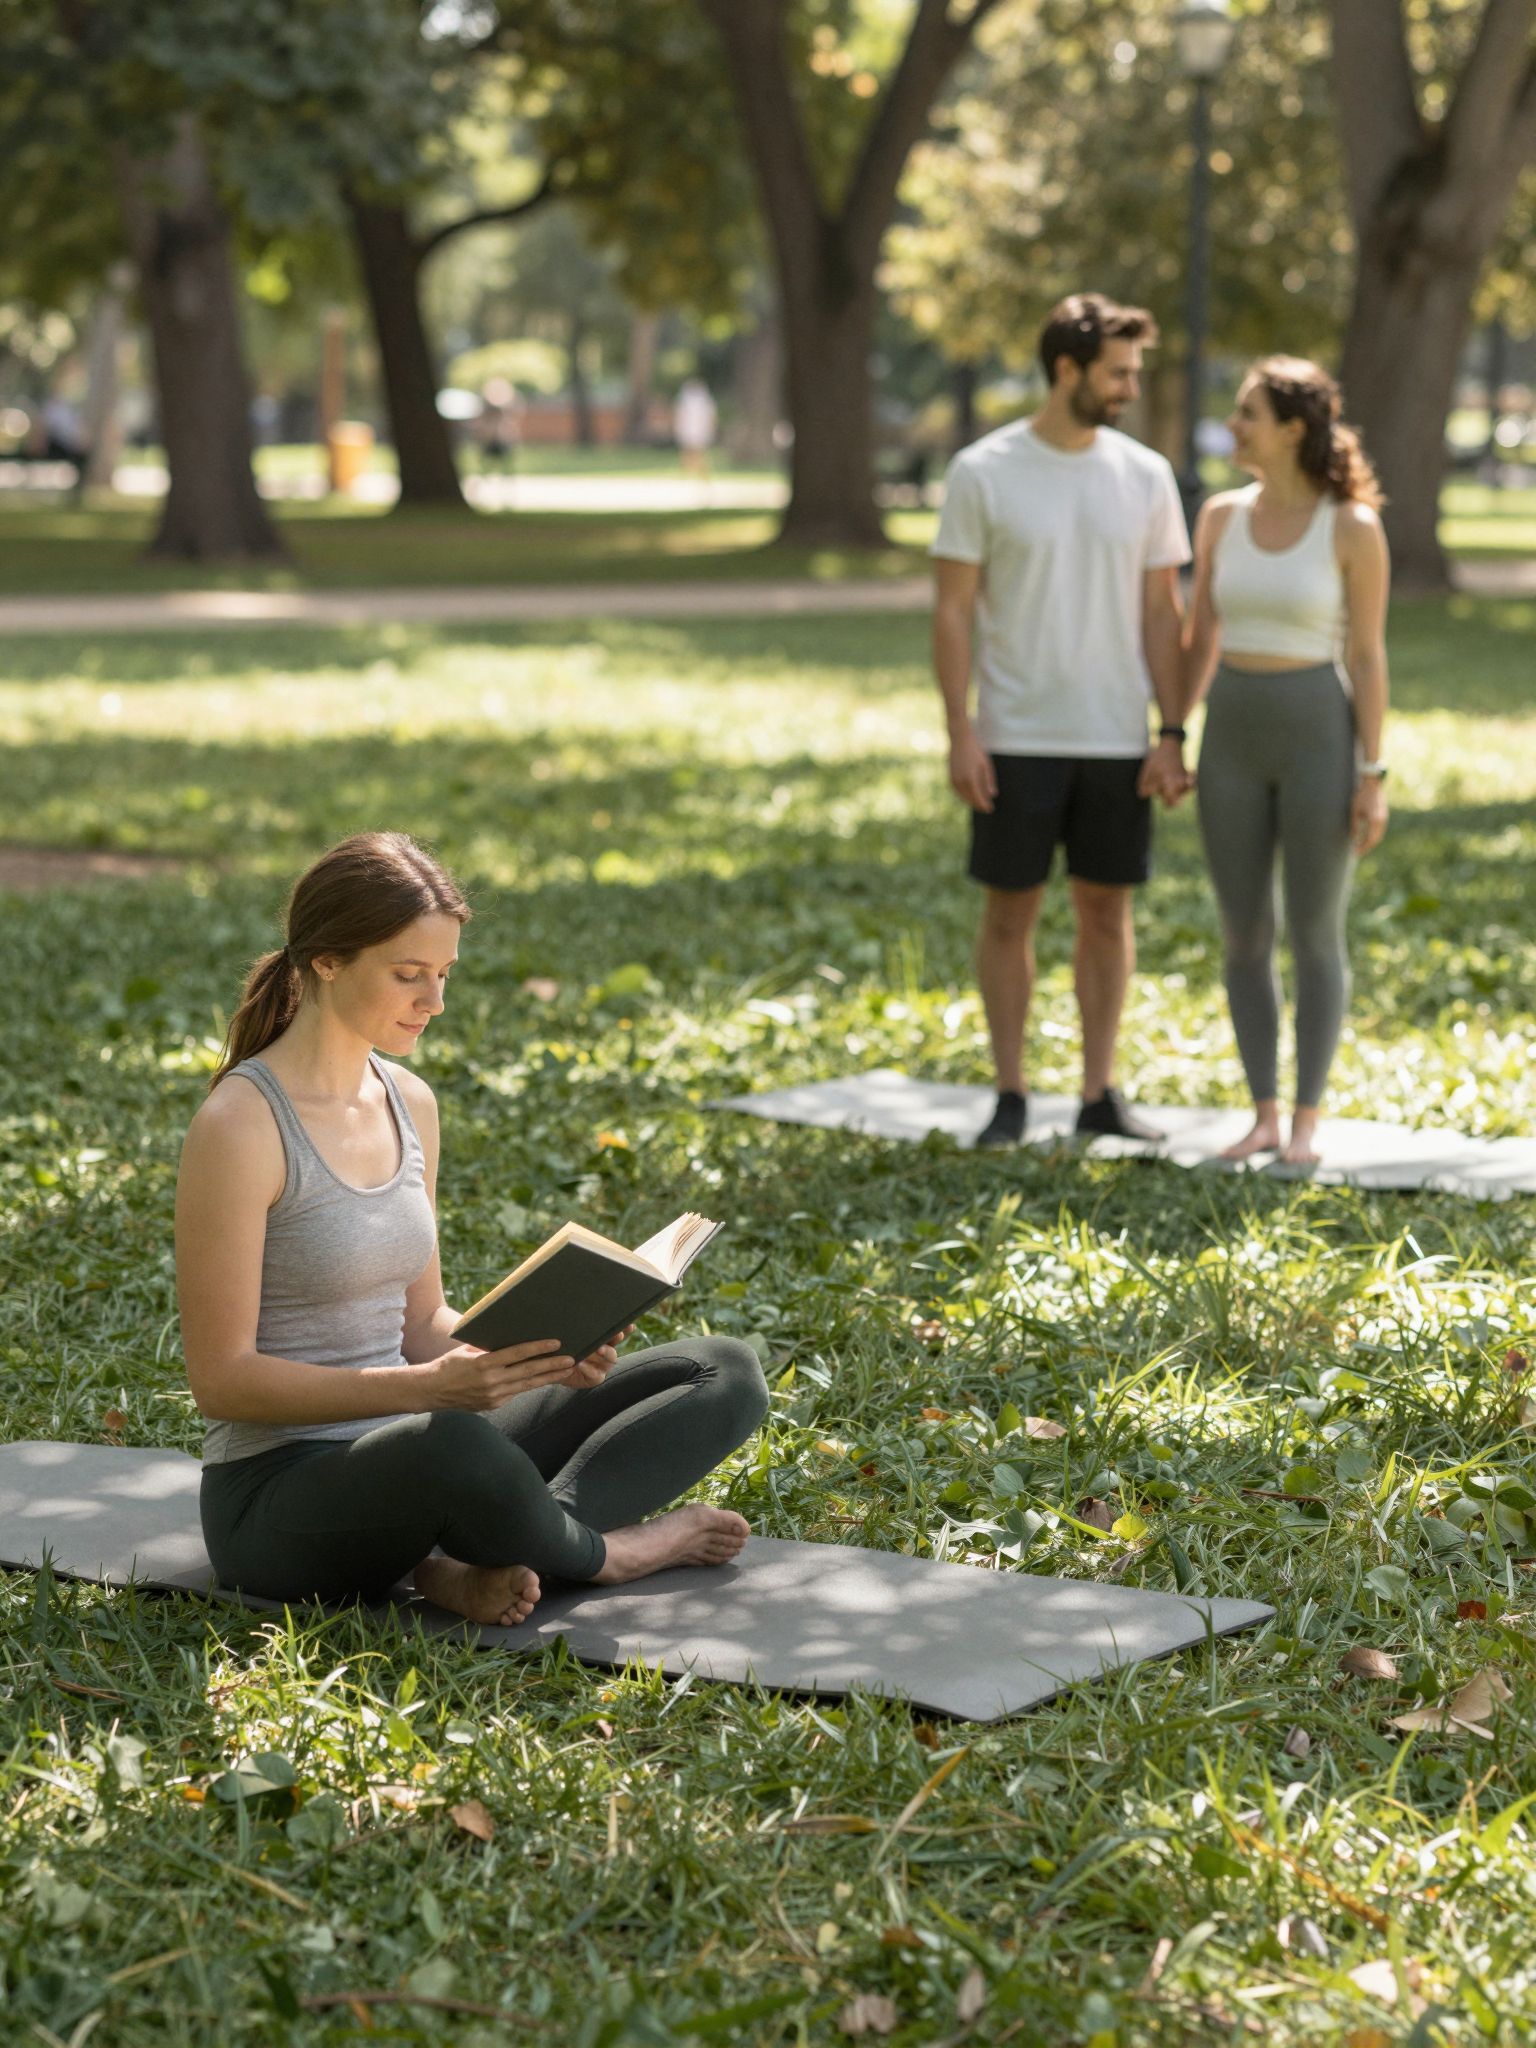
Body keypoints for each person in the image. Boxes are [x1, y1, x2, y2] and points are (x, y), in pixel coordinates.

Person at [178, 832, 768, 1626]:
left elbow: (424, 1324)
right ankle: (608, 1553)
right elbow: (222, 1380)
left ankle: (475, 1556)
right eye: (408, 974)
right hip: (279, 1498)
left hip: (420, 1438)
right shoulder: (240, 1125)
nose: (435, 1001)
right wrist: (426, 1391)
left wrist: (540, 1357)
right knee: (452, 1446)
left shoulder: (409, 1102)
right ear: (326, 960)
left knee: (721, 1372)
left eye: (444, 973)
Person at [931, 292, 1192, 1149]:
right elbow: (952, 612)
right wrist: (960, 731)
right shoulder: (984, 470)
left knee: (1106, 915)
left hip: (1118, 737)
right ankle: (1010, 1095)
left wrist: (1171, 730)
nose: (1128, 388)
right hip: (1014, 737)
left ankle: (1097, 1094)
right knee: (1010, 915)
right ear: (1068, 368)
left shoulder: (1146, 475)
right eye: (1117, 373)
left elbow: (1164, 615)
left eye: (1134, 374)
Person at [1180, 357, 1389, 1168]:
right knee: (1242, 934)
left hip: (1318, 741)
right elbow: (1201, 637)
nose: (1233, 426)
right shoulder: (1221, 517)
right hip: (1229, 736)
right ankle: (1261, 1113)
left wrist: (1372, 775)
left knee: (1314, 933)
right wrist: (1172, 734)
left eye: (1247, 413)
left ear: (1293, 428)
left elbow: (1368, 658)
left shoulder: (1351, 526)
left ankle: (1306, 1120)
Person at [673, 377, 717, 483]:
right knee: (689, 452)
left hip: (697, 430)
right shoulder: (687, 401)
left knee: (697, 453)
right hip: (691, 429)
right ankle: (689, 473)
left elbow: (710, 417)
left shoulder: (704, 401)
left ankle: (698, 473)